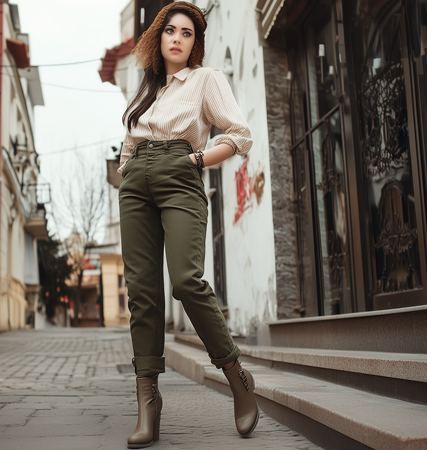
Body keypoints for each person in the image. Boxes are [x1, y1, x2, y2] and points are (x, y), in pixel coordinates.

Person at [117, 2, 258, 448]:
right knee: (142, 289)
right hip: (137, 181)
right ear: (159, 37)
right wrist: (128, 173)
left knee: (185, 280)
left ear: (196, 43)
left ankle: (236, 375)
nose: (177, 38)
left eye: (187, 33)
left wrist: (196, 158)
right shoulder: (147, 90)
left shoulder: (206, 79)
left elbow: (238, 135)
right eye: (170, 31)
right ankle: (148, 402)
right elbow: (127, 146)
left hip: (181, 174)